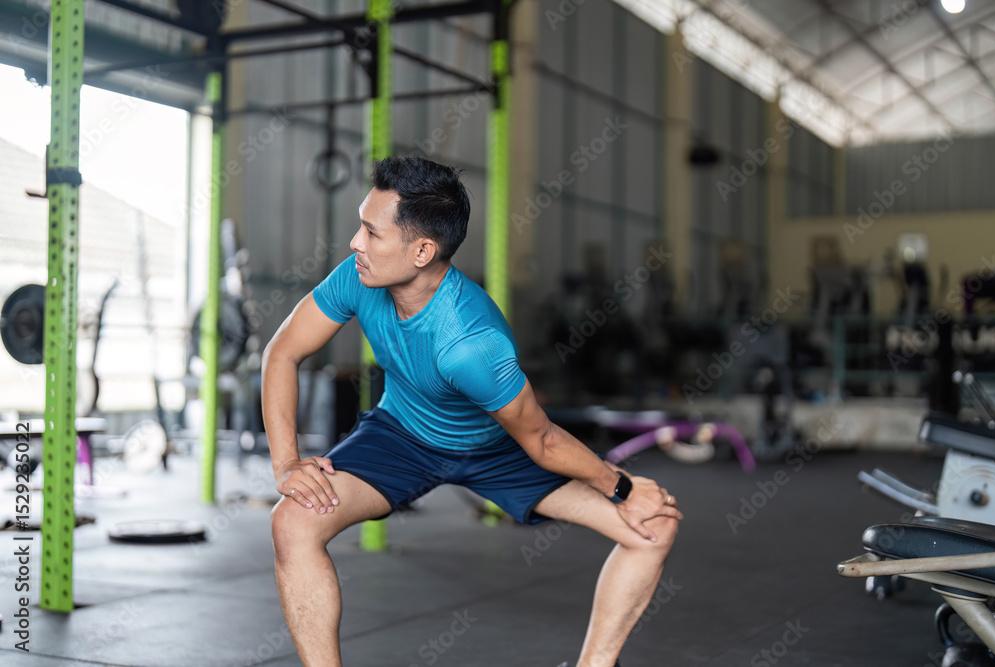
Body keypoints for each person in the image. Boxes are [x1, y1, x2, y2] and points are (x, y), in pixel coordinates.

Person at [263, 156, 683, 667]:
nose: (355, 243)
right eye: (361, 226)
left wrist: (623, 488)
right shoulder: (358, 276)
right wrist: (286, 463)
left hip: (497, 448)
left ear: (422, 250)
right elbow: (282, 353)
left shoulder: (469, 342)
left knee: (655, 526)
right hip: (401, 435)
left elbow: (542, 440)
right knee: (293, 523)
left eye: (371, 233)